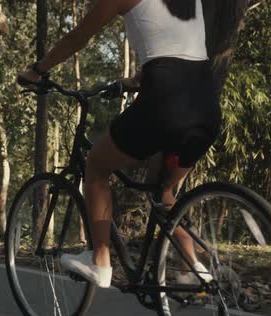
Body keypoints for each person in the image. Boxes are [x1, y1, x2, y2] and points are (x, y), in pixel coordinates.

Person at [17, 0, 221, 288]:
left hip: (165, 102)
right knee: (166, 191)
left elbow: (78, 36)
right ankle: (196, 268)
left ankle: (100, 261)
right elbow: (174, 48)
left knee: (97, 167)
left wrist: (37, 70)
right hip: (205, 105)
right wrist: (137, 80)